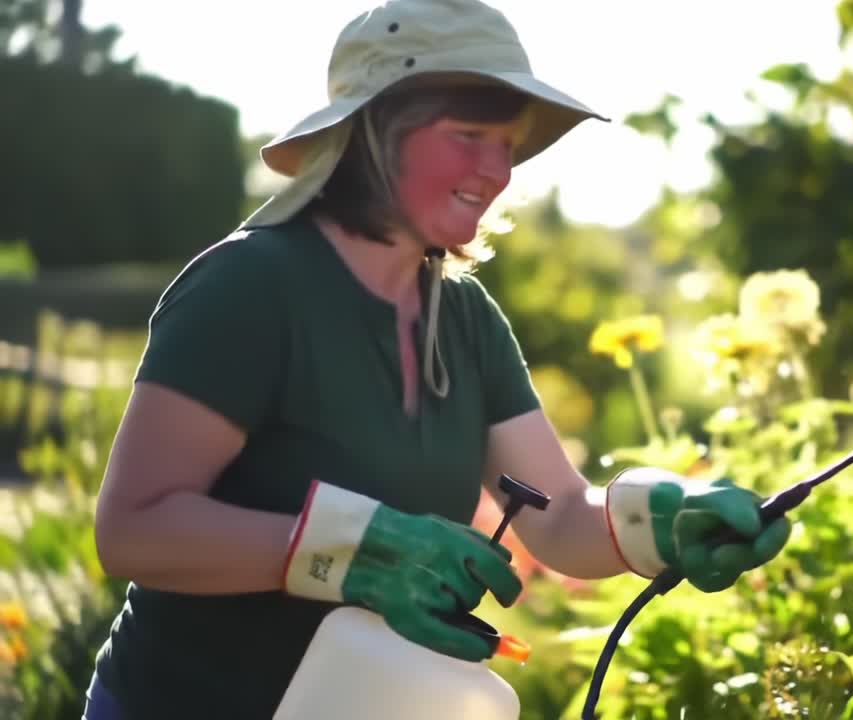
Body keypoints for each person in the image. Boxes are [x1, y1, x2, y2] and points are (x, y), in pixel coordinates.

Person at [84, 1, 793, 718]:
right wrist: (359, 548)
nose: (497, 171)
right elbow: (135, 529)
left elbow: (558, 517)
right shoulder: (249, 288)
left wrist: (661, 517)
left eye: (509, 145)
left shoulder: (464, 319)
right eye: (469, 136)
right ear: (372, 133)